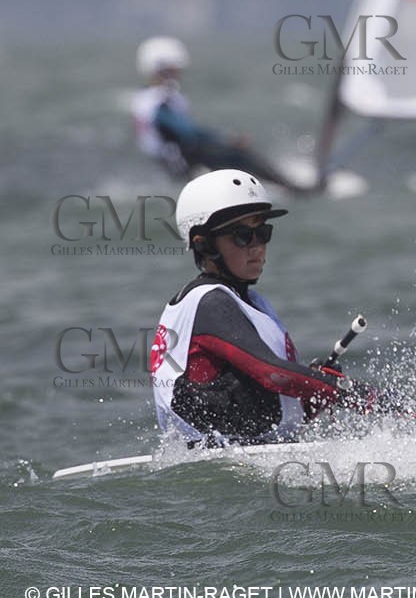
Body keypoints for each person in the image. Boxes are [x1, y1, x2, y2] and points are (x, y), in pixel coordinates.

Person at [150, 170, 386, 445]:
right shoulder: (210, 303)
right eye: (243, 236)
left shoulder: (252, 303)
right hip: (216, 465)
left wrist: (311, 394)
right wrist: (350, 392)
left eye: (262, 233)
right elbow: (272, 372)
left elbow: (269, 398)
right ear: (203, 244)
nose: (258, 247)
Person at [130, 35, 296, 190]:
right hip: (182, 161)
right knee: (240, 155)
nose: (178, 74)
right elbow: (187, 133)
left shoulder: (143, 98)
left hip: (168, 162)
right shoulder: (161, 101)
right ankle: (292, 188)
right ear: (162, 69)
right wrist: (228, 139)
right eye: (173, 70)